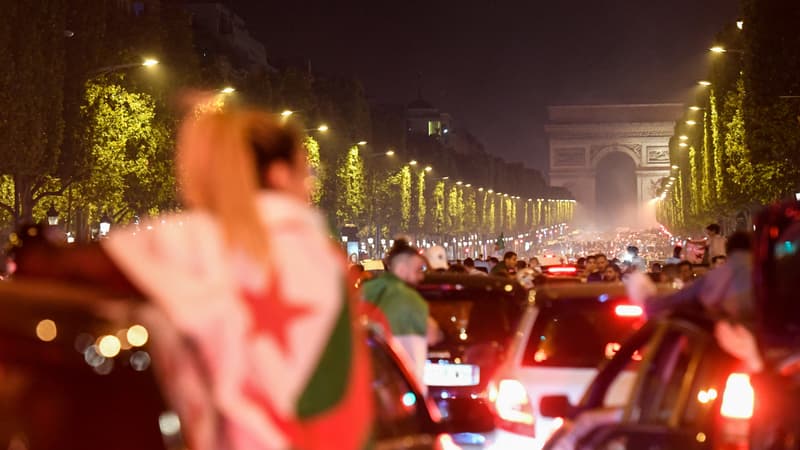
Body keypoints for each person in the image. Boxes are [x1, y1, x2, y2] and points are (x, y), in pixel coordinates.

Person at [16, 104, 374, 450]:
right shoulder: (323, 256)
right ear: (278, 174)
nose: (309, 186)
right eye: (306, 172)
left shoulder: (198, 244)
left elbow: (54, 266)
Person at [363, 239, 440, 384]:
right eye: (418, 270)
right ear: (402, 269)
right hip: (401, 384)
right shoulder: (411, 299)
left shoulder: (364, 290)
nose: (421, 276)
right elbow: (432, 336)